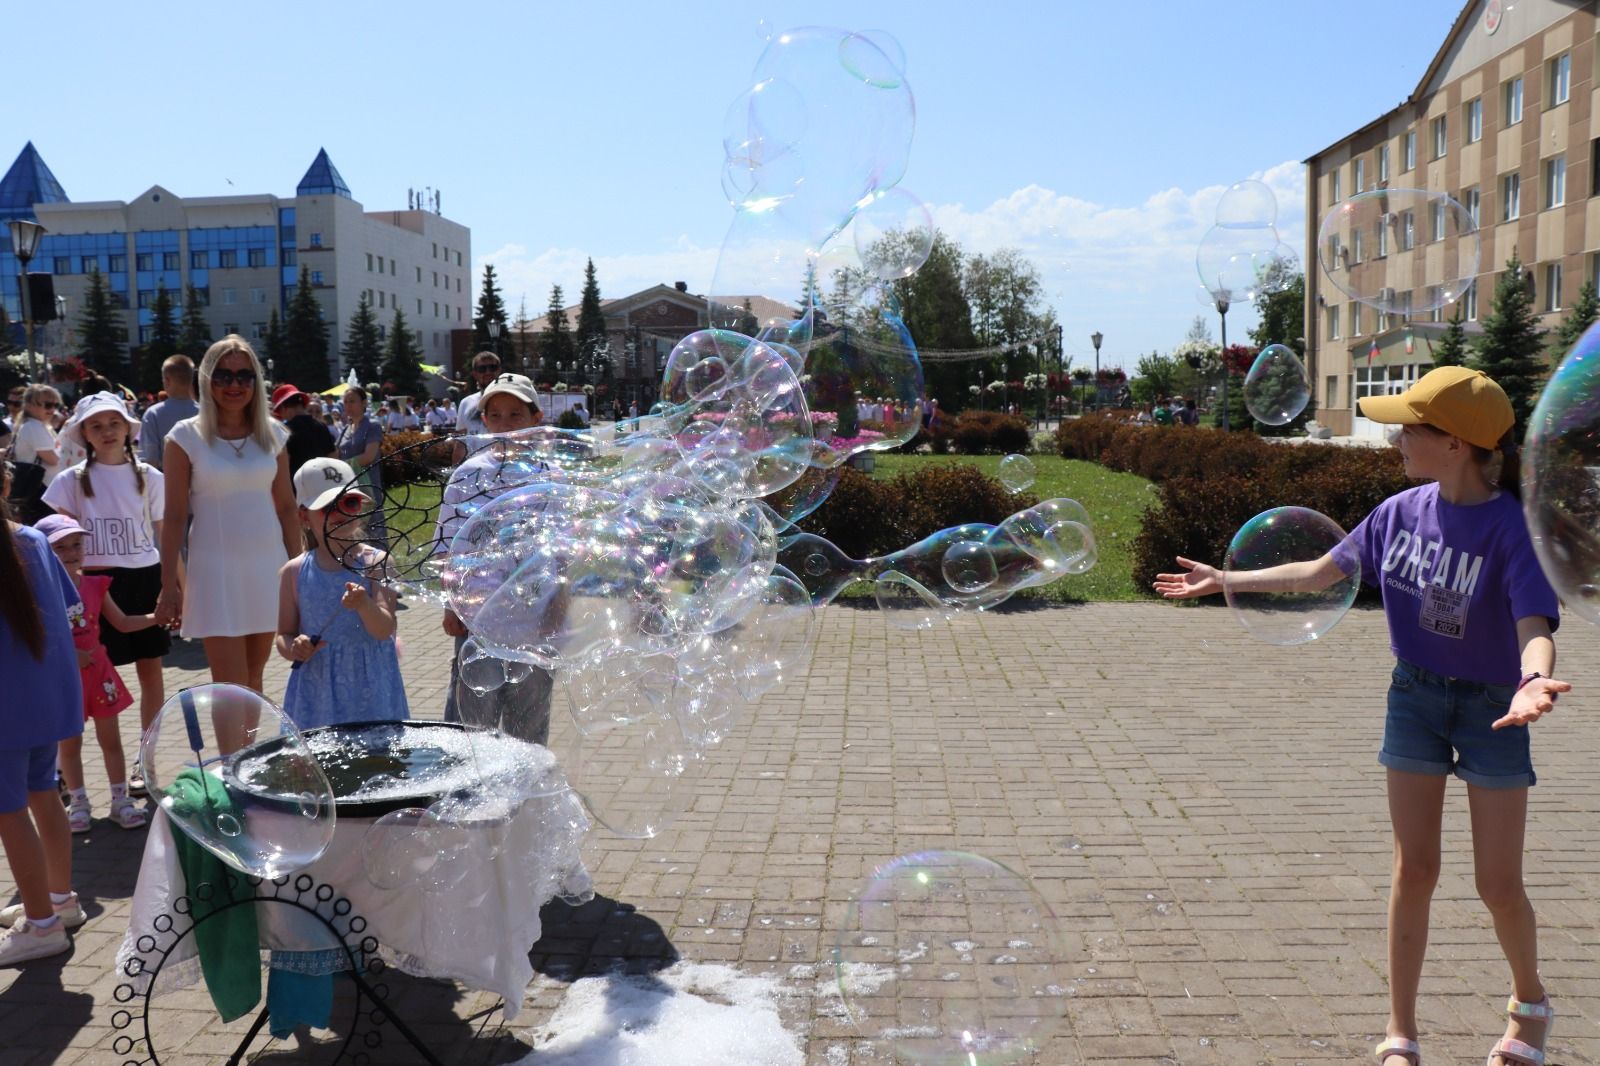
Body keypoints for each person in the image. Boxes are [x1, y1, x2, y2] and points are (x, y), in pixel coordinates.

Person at [1154, 367, 1566, 1066]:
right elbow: (1321, 573)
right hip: (1414, 699)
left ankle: (1529, 1005)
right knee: (1415, 869)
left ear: (1456, 444)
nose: (1394, 436)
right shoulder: (1399, 512)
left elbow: (1534, 620)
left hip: (1496, 710)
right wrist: (1227, 580)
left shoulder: (1509, 529)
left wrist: (1533, 679)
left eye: (1410, 426)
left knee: (1497, 883)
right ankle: (1400, 1032)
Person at [156, 336, 298, 732]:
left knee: (253, 681)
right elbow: (173, 515)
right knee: (230, 684)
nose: (234, 384)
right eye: (223, 375)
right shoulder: (184, 438)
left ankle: (245, 770)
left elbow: (287, 508)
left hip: (267, 570)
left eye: (243, 375)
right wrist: (170, 584)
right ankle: (232, 780)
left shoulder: (273, 435)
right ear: (206, 379)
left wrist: (298, 573)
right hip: (214, 573)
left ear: (256, 382)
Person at [42, 392, 171, 794]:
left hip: (145, 577)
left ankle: (144, 763)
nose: (106, 431)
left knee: (151, 672)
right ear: (83, 433)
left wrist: (175, 586)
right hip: (92, 586)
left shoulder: (150, 476)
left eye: (113, 423)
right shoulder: (70, 481)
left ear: (127, 428)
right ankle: (67, 772)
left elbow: (166, 535)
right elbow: (55, 542)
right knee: (83, 677)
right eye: (96, 425)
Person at [436, 373, 553, 744]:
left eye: (515, 415)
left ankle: (524, 799)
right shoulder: (467, 475)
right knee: (473, 725)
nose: (504, 424)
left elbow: (562, 553)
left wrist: (560, 606)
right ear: (482, 420)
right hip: (479, 619)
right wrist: (450, 605)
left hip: (534, 622)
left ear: (536, 419)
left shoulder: (549, 476)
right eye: (495, 415)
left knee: (528, 727)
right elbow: (448, 545)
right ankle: (470, 797)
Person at [0, 493, 85, 965]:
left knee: (9, 813)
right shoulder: (33, 538)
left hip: (7, 707)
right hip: (46, 698)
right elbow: (69, 612)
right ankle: (58, 901)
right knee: (43, 793)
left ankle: (42, 924)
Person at [35, 515, 160, 832]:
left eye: (76, 544)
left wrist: (157, 616)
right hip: (65, 678)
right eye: (59, 547)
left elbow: (122, 623)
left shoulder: (95, 585)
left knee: (111, 741)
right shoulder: (38, 592)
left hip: (100, 675)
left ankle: (120, 800)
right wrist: (65, 655)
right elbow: (35, 637)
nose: (71, 552)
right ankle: (79, 803)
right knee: (70, 745)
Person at [275, 458, 406, 728]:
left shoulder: (376, 563)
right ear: (304, 516)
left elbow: (384, 630)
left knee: (377, 762)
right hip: (316, 693)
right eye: (328, 507)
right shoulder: (294, 572)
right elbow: (283, 635)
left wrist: (364, 605)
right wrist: (295, 647)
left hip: (372, 692)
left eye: (349, 503)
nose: (341, 514)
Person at [335, 386, 386, 542]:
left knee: (374, 530)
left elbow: (369, 456)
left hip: (369, 485)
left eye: (352, 401)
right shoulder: (345, 429)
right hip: (349, 487)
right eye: (345, 402)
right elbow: (335, 454)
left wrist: (342, 466)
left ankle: (380, 563)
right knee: (353, 531)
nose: (348, 405)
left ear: (364, 403)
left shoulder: (372, 425)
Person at [8, 385, 64, 524]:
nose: (52, 409)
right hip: (41, 490)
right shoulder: (34, 427)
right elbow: (53, 459)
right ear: (30, 405)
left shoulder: (34, 425)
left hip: (39, 489)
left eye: (55, 405)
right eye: (48, 405)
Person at [139, 356, 198, 470]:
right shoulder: (205, 413)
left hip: (165, 482)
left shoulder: (153, 414)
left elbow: (150, 460)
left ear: (167, 380)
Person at [271, 384, 337, 479]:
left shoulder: (285, 431)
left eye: (280, 412)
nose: (282, 416)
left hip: (297, 488)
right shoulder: (322, 426)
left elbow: (283, 467)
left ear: (284, 408)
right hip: (323, 485)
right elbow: (333, 456)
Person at [454, 351, 501, 435]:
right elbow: (460, 440)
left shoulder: (511, 400)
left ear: (499, 370)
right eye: (482, 369)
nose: (488, 372)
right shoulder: (466, 403)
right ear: (474, 374)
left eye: (492, 367)